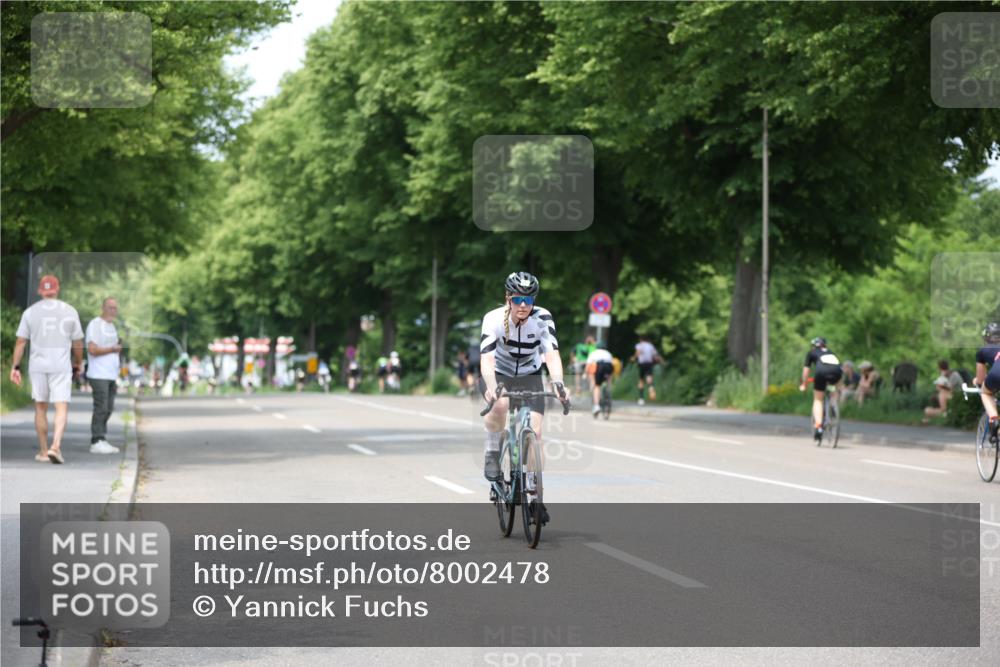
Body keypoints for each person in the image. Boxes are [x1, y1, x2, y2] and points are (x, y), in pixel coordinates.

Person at [480, 271, 569, 527]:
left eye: (528, 301)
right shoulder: (494, 319)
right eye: (518, 299)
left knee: (536, 434)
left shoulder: (542, 318)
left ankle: (533, 497)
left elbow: (551, 355)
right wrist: (492, 387)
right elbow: (487, 359)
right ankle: (492, 451)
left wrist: (559, 383)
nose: (523, 306)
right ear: (508, 298)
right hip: (499, 374)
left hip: (531, 375)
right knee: (501, 404)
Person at [9, 275, 84, 464]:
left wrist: (15, 366)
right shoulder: (70, 311)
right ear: (57, 289)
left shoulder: (30, 312)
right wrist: (78, 362)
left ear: (40, 291)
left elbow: (20, 342)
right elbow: (77, 343)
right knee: (61, 406)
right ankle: (56, 446)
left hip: (38, 365)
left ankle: (43, 451)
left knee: (40, 407)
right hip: (60, 365)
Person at [85, 297, 122, 455]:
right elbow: (92, 349)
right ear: (103, 307)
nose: (113, 311)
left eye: (115, 308)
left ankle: (102, 439)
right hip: (98, 374)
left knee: (109, 408)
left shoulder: (112, 326)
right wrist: (112, 349)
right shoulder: (95, 325)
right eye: (110, 307)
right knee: (101, 407)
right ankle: (96, 440)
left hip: (110, 375)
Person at [798, 336, 843, 441]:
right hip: (836, 373)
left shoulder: (812, 353)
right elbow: (839, 369)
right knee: (833, 392)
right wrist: (839, 388)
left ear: (814, 346)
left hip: (821, 373)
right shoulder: (831, 352)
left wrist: (804, 384)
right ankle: (834, 406)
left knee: (818, 399)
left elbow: (806, 372)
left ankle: (818, 426)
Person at [974, 322, 1000, 444]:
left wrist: (977, 382)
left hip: (996, 374)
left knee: (985, 392)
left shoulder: (983, 351)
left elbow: (980, 379)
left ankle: (994, 418)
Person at [585, 340, 614, 417]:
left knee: (597, 386)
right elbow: (612, 365)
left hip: (599, 367)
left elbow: (588, 366)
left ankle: (597, 406)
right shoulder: (608, 353)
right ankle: (608, 389)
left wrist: (585, 374)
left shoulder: (594, 353)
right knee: (608, 379)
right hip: (608, 367)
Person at [631, 334, 662, 405]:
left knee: (641, 380)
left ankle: (641, 398)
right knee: (649, 378)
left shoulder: (639, 345)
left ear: (641, 339)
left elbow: (638, 352)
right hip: (649, 364)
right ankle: (651, 388)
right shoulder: (651, 346)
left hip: (642, 364)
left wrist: (634, 358)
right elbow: (655, 356)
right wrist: (661, 361)